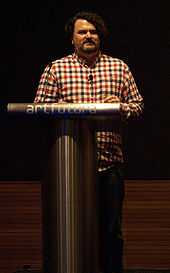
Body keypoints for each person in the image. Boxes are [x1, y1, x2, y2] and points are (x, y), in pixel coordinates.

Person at [34, 11, 144, 273]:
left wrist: (119, 107)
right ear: (72, 39)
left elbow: (138, 106)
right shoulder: (56, 68)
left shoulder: (119, 67)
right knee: (71, 232)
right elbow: (39, 108)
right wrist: (71, 109)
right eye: (82, 32)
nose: (88, 36)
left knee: (111, 232)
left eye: (93, 32)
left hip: (109, 165)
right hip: (67, 172)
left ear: (100, 36)